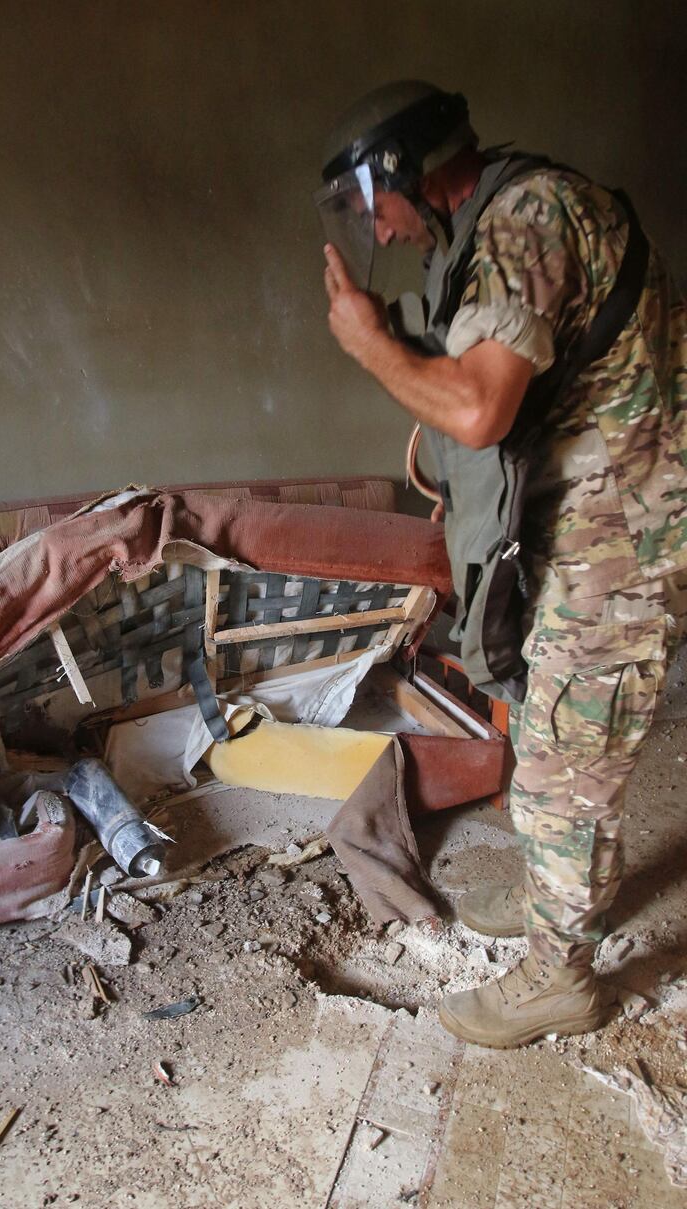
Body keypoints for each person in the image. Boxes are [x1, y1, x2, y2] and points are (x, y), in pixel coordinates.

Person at [317, 80, 687, 1048]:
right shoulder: (510, 217)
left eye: (370, 203)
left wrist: (367, 345)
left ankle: (559, 977)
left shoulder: (521, 222)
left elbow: (479, 408)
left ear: (401, 172)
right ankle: (560, 905)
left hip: (626, 533)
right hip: (599, 518)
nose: (375, 228)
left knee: (566, 760)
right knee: (553, 741)